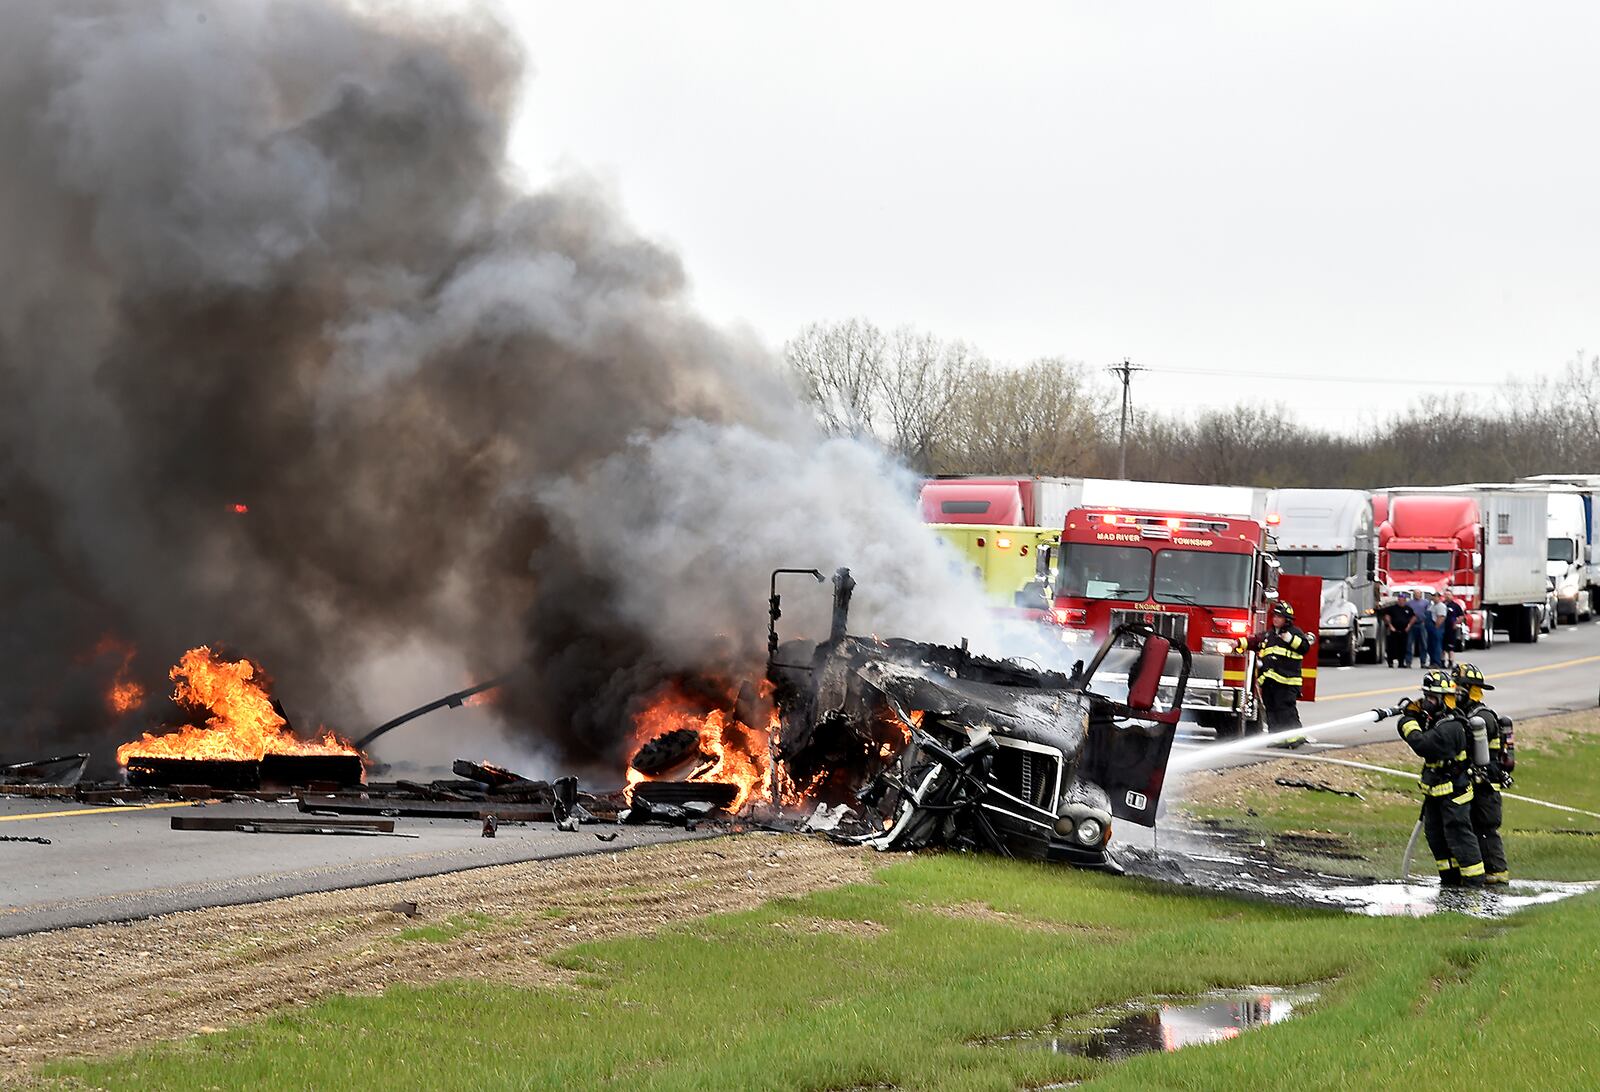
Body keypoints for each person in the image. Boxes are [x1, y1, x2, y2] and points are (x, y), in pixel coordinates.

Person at [1394, 670, 1486, 887]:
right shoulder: (1435, 720)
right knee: (1436, 838)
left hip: (1455, 793)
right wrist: (1415, 712)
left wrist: (1406, 722)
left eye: (1432, 698)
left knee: (1459, 838)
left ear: (1447, 699)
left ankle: (1474, 886)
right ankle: (1450, 882)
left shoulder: (1452, 726)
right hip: (1435, 792)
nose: (1427, 702)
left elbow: (1424, 745)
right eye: (1426, 697)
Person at [1454, 663, 1513, 885]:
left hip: (1487, 786)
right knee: (1473, 828)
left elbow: (1465, 738)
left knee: (1486, 829)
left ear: (1469, 689)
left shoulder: (1483, 717)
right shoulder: (1467, 713)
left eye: (1458, 688)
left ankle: (1497, 876)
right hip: (1475, 782)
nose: (1454, 693)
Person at [1242, 599, 1311, 746]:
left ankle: (1294, 738)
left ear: (1287, 619)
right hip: (1270, 681)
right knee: (1271, 709)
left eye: (1279, 617)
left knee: (1285, 709)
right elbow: (1254, 641)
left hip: (1287, 682)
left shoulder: (1295, 633)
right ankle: (1276, 738)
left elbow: (1304, 647)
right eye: (1274, 616)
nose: (1275, 619)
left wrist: (1290, 639)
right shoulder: (1269, 635)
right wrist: (1238, 643)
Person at [1383, 591, 1414, 668]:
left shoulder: (1408, 609)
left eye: (1403, 599)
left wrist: (1409, 626)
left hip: (1404, 631)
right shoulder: (1392, 608)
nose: (1401, 601)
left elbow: (1414, 617)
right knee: (1392, 647)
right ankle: (1390, 662)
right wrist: (1390, 626)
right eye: (1400, 599)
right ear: (1398, 600)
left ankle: (1401, 663)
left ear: (1405, 600)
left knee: (1403, 647)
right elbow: (1386, 616)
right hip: (1394, 630)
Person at [1405, 590, 1430, 668]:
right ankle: (1408, 662)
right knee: (1409, 643)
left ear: (1421, 594)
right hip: (1412, 625)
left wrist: (1426, 622)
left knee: (1423, 644)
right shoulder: (1409, 603)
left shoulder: (1426, 602)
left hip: (1421, 624)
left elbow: (1428, 612)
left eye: (1418, 594)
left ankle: (1423, 662)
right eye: (1415, 594)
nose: (1417, 595)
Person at [1441, 592, 1466, 669]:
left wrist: (1456, 623)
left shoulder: (1455, 606)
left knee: (1450, 647)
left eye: (1449, 595)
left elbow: (1461, 616)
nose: (1447, 596)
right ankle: (1442, 661)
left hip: (1451, 629)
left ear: (1452, 596)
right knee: (1442, 647)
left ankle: (1451, 661)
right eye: (1446, 595)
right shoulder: (1442, 605)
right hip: (1442, 628)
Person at [1426, 592, 1448, 668]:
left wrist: (1436, 627)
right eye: (1432, 596)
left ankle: (1437, 662)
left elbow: (1441, 617)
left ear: (1439, 597)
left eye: (1435, 596)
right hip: (1430, 628)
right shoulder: (1432, 606)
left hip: (1437, 628)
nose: (1433, 597)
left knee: (1436, 646)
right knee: (1430, 646)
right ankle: (1432, 662)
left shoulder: (1441, 606)